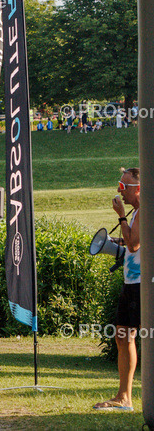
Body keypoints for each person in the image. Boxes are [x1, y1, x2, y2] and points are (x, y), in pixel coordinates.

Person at [95, 167, 141, 412]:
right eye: (119, 186)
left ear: (139, 188)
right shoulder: (136, 213)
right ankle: (124, 397)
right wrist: (116, 243)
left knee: (132, 336)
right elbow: (131, 242)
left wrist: (121, 216)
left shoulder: (143, 211)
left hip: (143, 285)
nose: (119, 191)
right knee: (122, 336)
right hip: (131, 282)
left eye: (124, 187)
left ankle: (126, 397)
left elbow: (134, 244)